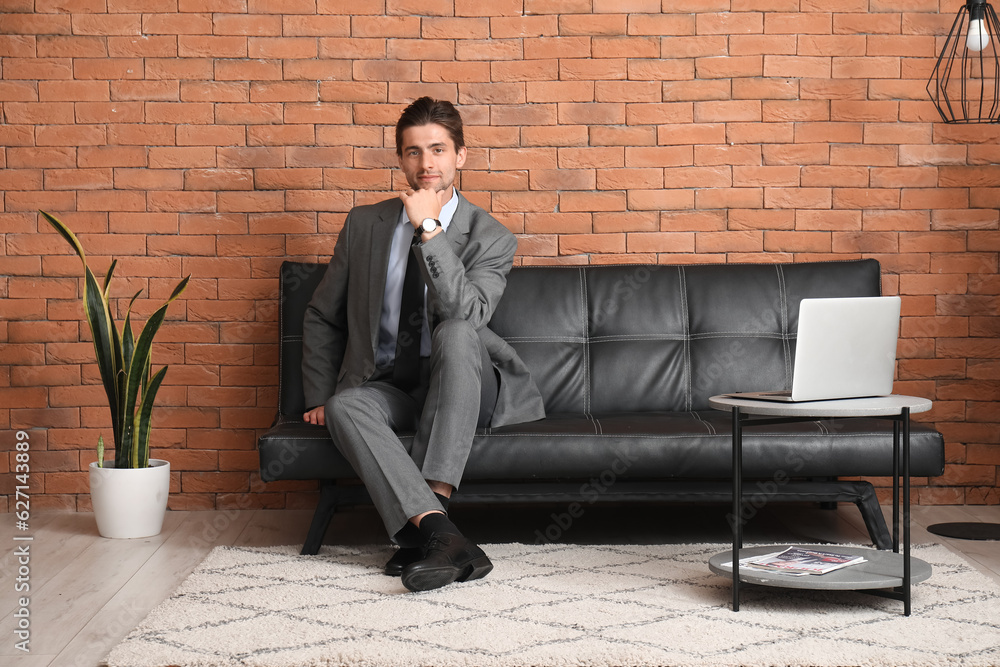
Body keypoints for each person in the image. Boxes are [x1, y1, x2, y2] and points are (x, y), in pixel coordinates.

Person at [301, 97, 545, 592]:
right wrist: (317, 395)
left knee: (455, 331)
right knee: (346, 406)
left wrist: (429, 229)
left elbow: (466, 315)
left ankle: (425, 529)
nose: (426, 163)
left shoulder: (491, 236)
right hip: (388, 383)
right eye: (413, 152)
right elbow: (323, 313)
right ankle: (439, 535)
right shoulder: (364, 225)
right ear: (400, 160)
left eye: (438, 149)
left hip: (465, 382)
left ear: (461, 156)